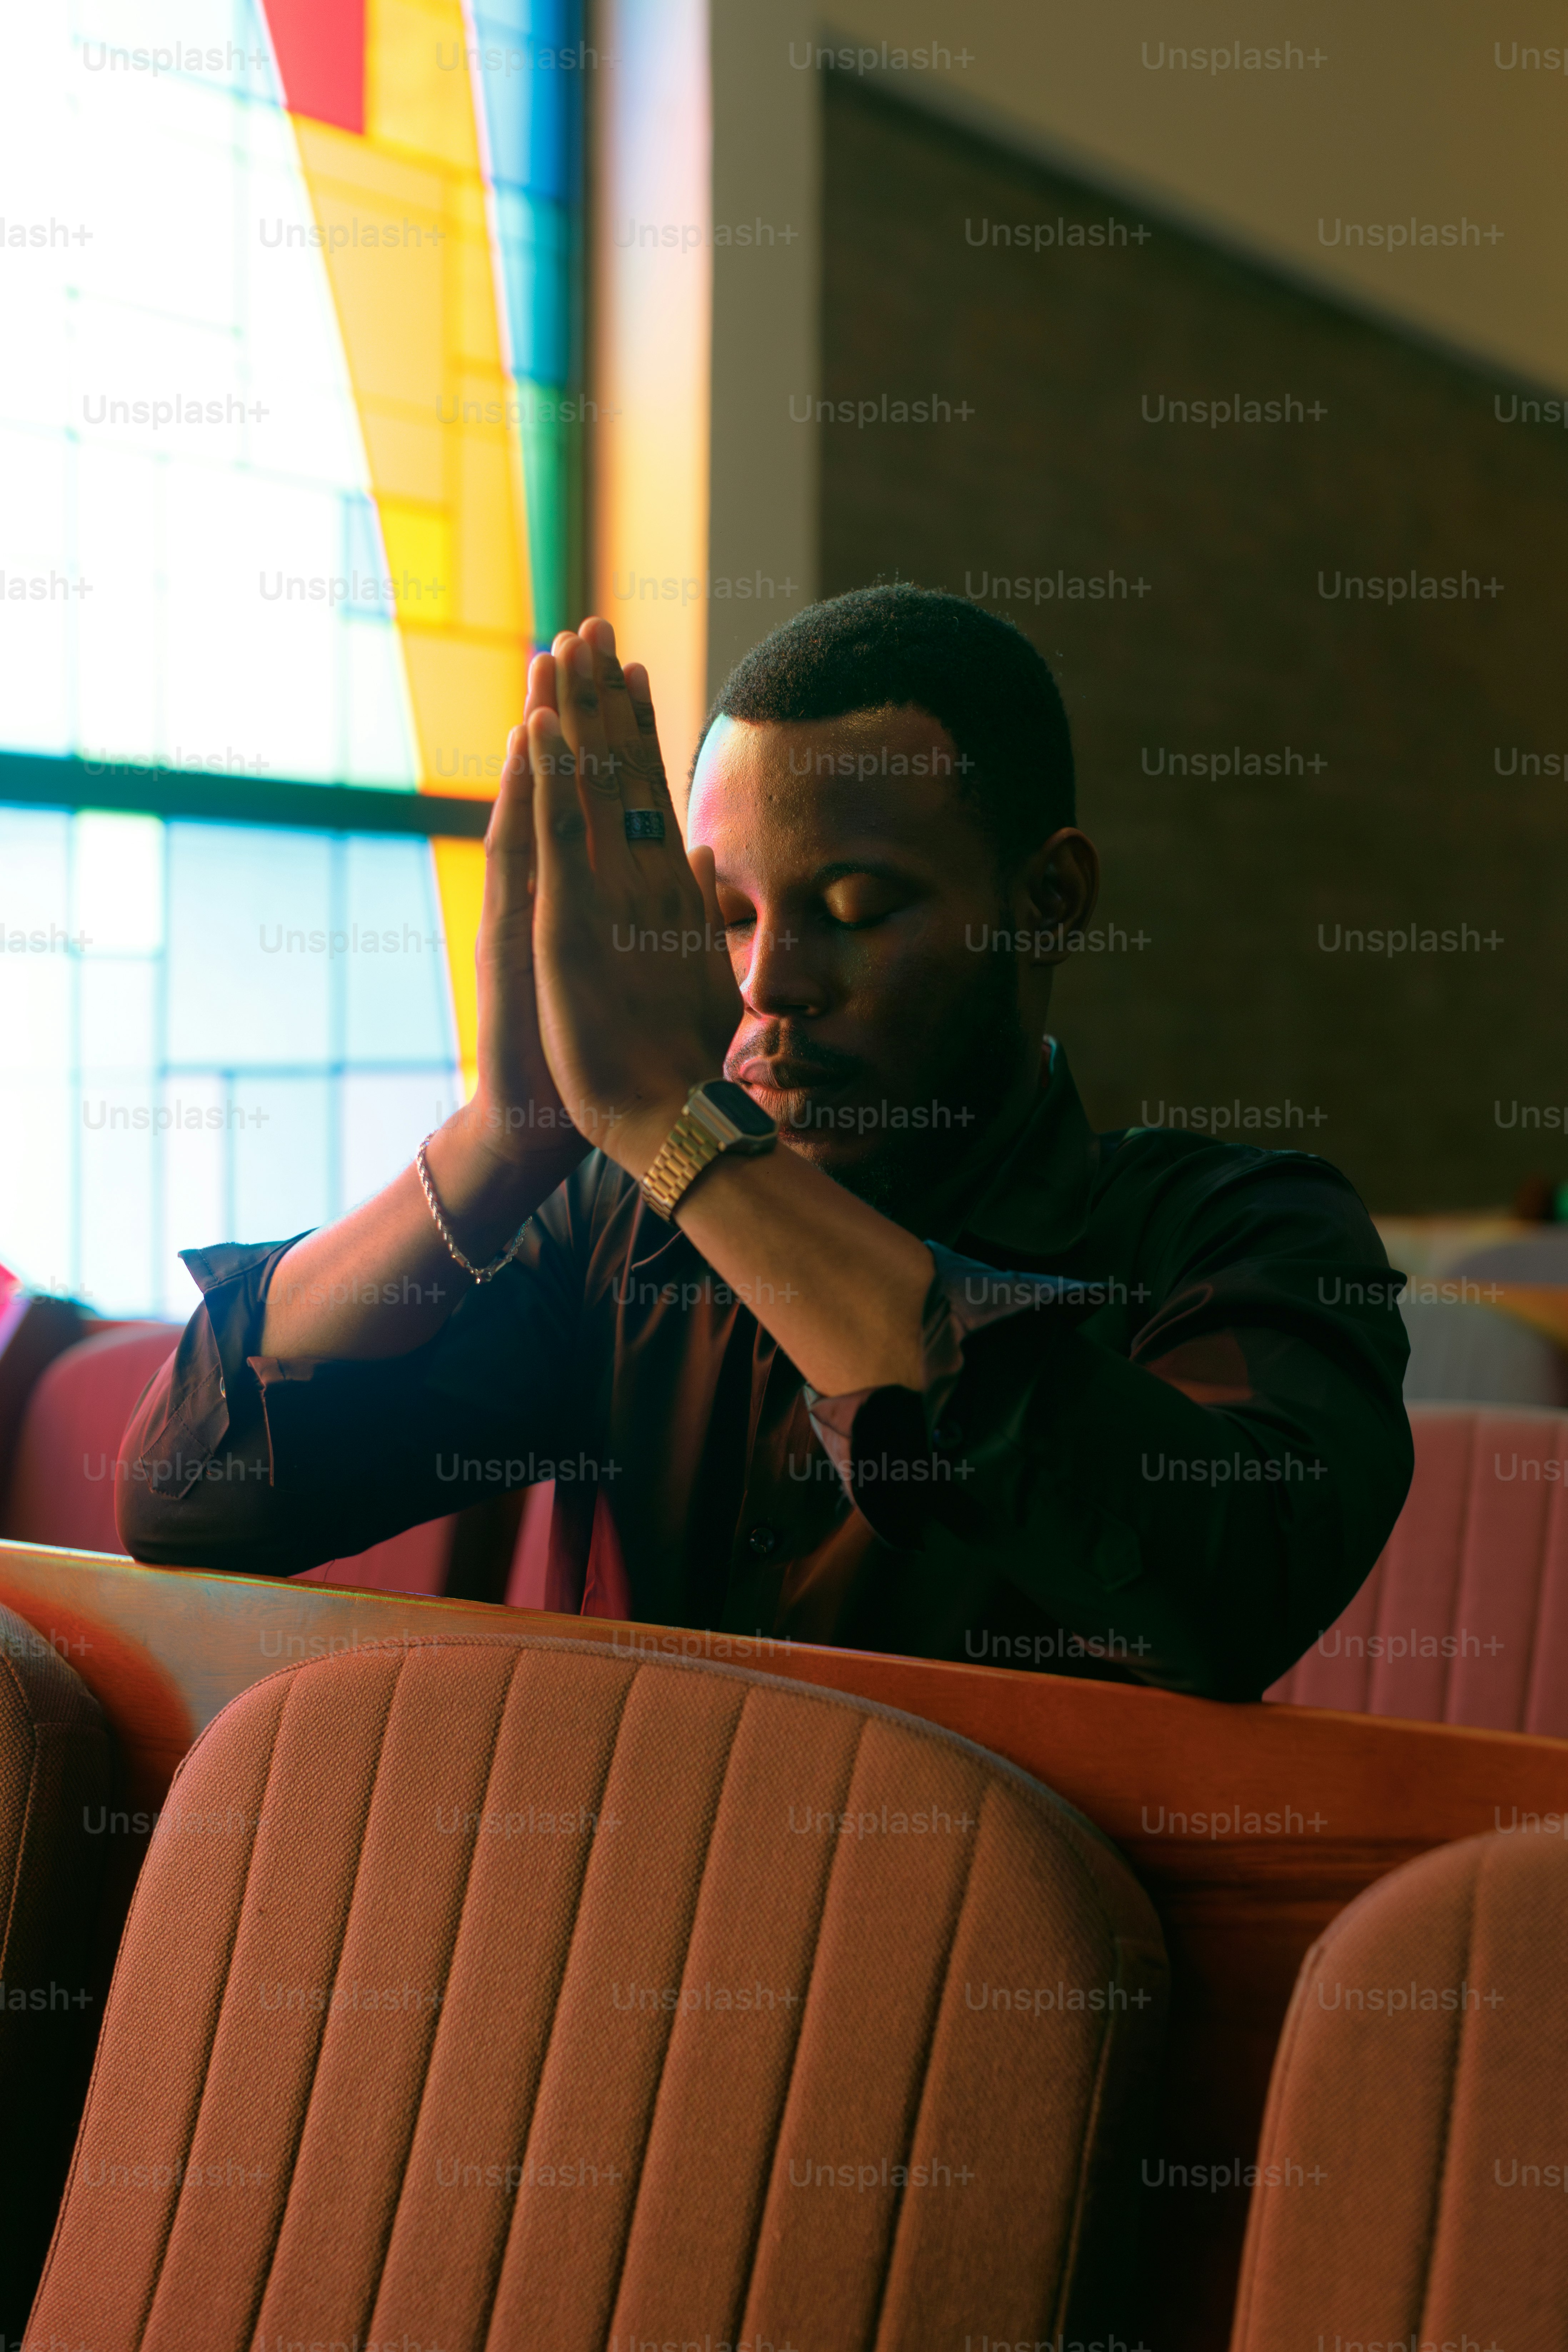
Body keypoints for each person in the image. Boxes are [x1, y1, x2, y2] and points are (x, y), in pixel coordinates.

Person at [118, 586, 1411, 1698]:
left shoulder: (1240, 1232)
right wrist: (506, 1139)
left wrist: (680, 1135)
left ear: (1049, 900)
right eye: (729, 917)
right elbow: (191, 1494)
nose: (767, 984)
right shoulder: (616, 1233)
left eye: (854, 909)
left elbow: (1225, 1593)